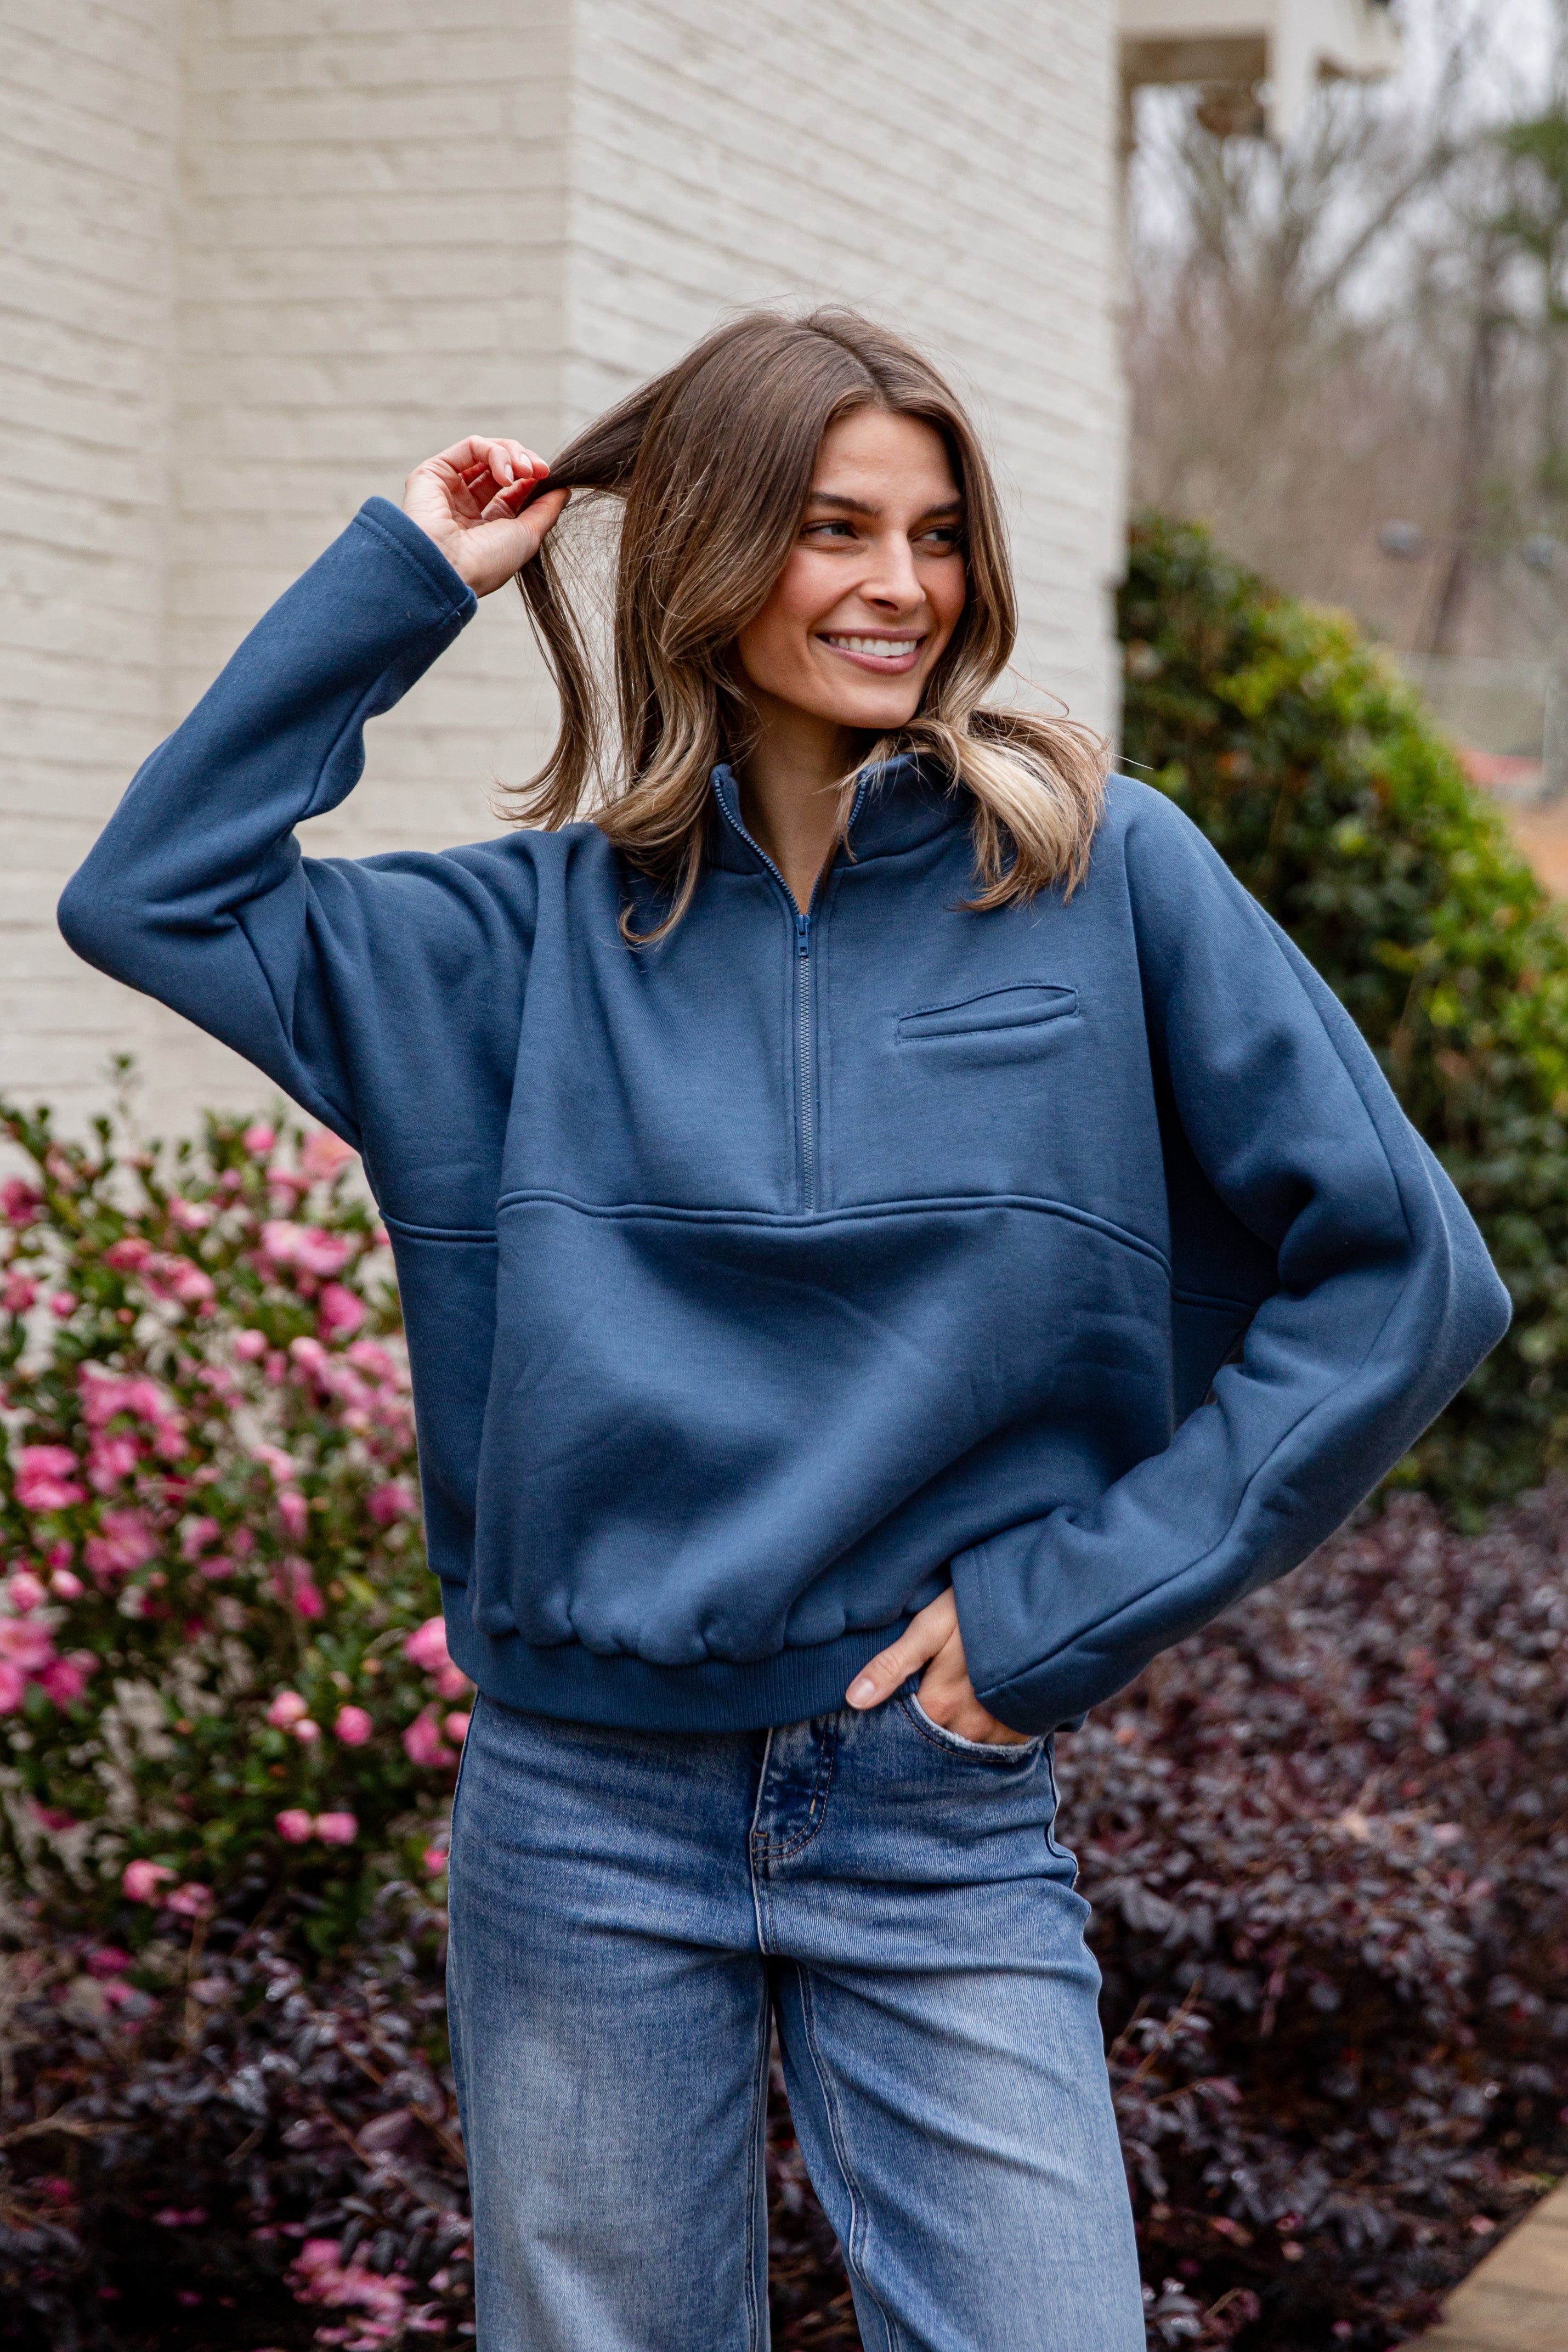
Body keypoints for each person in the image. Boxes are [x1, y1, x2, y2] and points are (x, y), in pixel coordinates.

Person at [59, 309, 1510, 2352]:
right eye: (834, 526)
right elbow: (159, 897)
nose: (899, 586)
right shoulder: (514, 943)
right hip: (579, 1808)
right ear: (713, 553)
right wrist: (407, 577)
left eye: (934, 534)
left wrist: (1053, 1620)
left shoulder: (1095, 872)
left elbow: (1407, 1278)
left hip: (932, 1796)